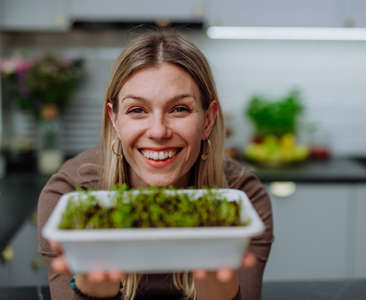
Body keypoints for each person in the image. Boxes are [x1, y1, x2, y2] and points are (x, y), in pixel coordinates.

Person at [37, 29, 273, 300]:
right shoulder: (70, 197)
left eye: (179, 109)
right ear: (115, 120)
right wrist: (92, 294)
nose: (158, 131)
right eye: (137, 110)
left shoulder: (243, 202)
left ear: (208, 120)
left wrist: (217, 290)